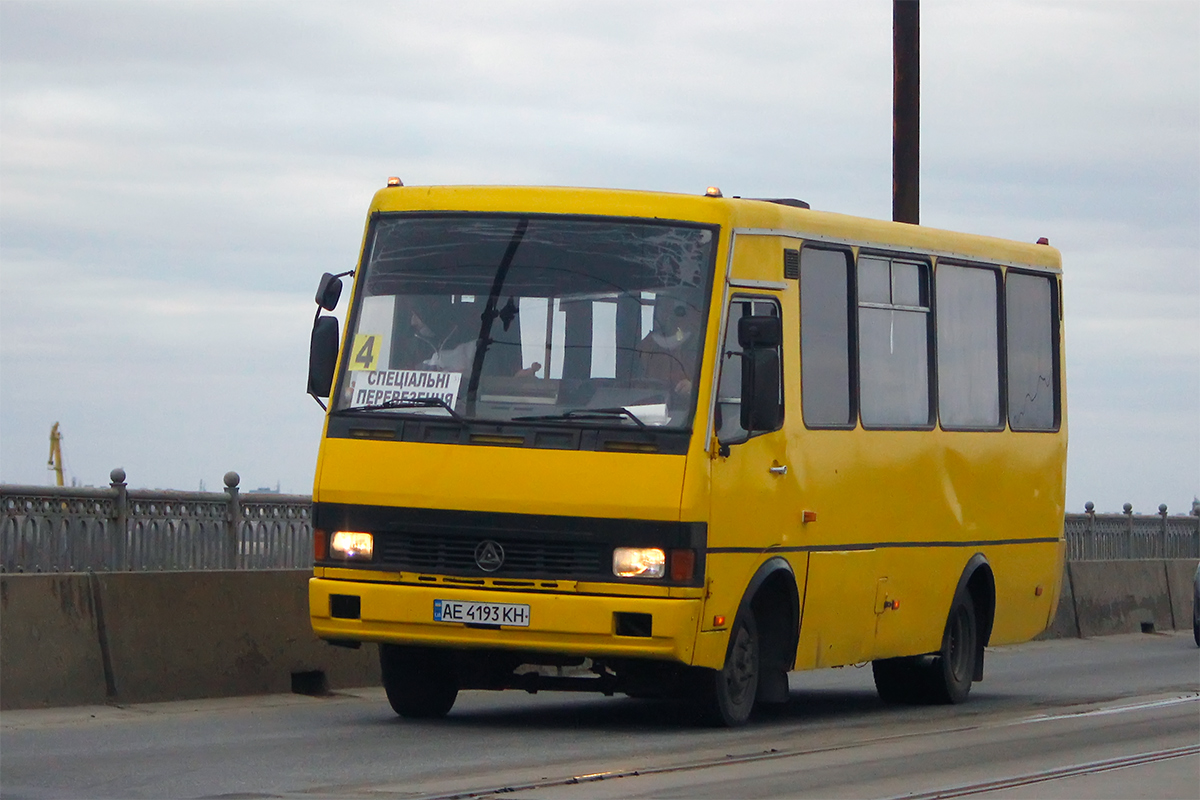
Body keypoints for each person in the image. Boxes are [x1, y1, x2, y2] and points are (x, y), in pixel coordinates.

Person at [633, 293, 702, 398]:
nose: (668, 316)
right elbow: (632, 382)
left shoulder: (705, 345)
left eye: (677, 311)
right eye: (662, 308)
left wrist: (695, 387)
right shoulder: (646, 347)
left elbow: (722, 382)